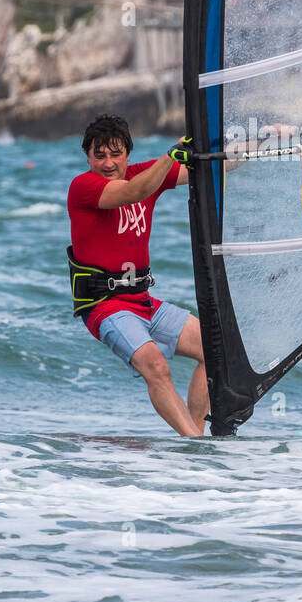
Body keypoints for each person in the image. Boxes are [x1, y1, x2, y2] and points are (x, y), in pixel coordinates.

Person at [66, 112, 207, 438]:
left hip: (143, 302)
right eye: (98, 155)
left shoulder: (145, 173)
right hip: (104, 306)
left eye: (116, 154)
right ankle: (195, 443)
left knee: (214, 351)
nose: (108, 163)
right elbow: (133, 193)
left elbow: (214, 167)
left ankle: (197, 443)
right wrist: (169, 155)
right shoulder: (83, 187)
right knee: (156, 366)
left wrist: (265, 141)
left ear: (128, 153)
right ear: (87, 156)